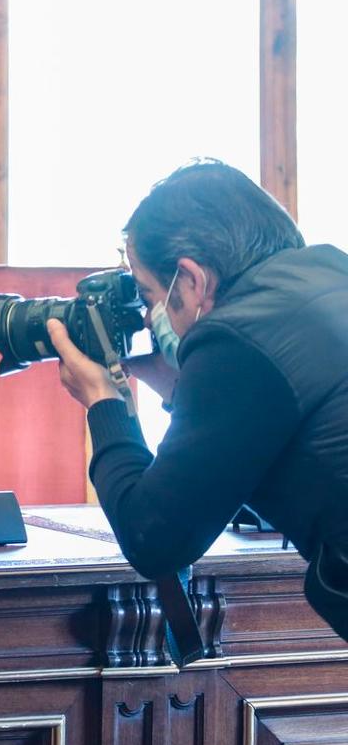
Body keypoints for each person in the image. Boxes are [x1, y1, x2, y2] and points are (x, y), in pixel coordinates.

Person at [46, 159, 348, 641]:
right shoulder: (330, 273)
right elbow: (268, 439)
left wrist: (104, 402)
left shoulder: (237, 338)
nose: (150, 317)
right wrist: (175, 386)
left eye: (149, 294)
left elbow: (154, 538)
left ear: (190, 279)